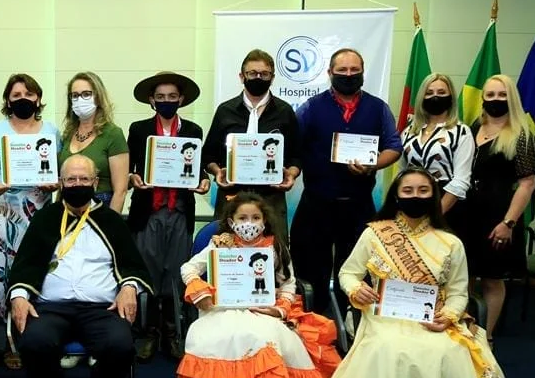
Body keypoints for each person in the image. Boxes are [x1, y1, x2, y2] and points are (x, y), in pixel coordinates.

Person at [306, 167, 517, 378]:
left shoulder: (450, 242)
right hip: (384, 318)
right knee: (391, 350)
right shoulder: (375, 233)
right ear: (396, 196)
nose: (415, 196)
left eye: (423, 190)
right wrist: (355, 289)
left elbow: (459, 292)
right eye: (408, 191)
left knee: (448, 354)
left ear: (433, 195)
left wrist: (448, 317)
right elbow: (348, 273)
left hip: (432, 318)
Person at [8, 155, 153, 378]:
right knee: (34, 343)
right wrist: (19, 295)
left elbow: (132, 264)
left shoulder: (111, 220)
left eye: (83, 179)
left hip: (101, 309)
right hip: (51, 307)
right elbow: (26, 263)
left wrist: (129, 287)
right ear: (61, 183)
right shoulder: (46, 217)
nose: (77, 184)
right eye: (71, 179)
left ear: (95, 181)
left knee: (120, 346)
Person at [176, 192, 338, 378]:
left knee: (262, 338)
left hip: (263, 311)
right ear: (231, 221)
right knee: (245, 337)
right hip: (222, 310)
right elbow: (188, 268)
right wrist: (199, 290)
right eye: (242, 218)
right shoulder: (221, 245)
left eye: (255, 217)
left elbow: (288, 284)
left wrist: (279, 310)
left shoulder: (274, 247)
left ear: (264, 220)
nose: (249, 223)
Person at [289, 48, 403, 313]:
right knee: (310, 269)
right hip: (316, 203)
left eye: (354, 70)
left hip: (358, 205)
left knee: (357, 272)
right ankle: (313, 322)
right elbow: (294, 146)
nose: (348, 75)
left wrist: (373, 164)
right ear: (330, 73)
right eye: (342, 70)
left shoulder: (378, 108)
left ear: (362, 72)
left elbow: (394, 146)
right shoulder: (310, 108)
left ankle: (350, 324)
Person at [0, 73, 60, 368]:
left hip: (38, 210)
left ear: (38, 98)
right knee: (0, 275)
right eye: (16, 95)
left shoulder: (51, 130)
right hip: (3, 210)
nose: (23, 99)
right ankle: (4, 341)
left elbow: (57, 171)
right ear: (7, 100)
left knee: (38, 270)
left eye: (28, 94)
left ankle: (33, 339)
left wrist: (55, 183)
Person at [127, 71, 211, 360]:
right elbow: (130, 168)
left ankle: (174, 331)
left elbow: (199, 169)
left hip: (179, 210)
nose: (166, 101)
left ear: (181, 99)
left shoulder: (193, 130)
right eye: (160, 97)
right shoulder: (139, 129)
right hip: (148, 211)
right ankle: (149, 332)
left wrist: (204, 181)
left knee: (176, 272)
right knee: (148, 273)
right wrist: (133, 179)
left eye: (172, 96)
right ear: (152, 100)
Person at [459, 75, 535, 342]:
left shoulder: (521, 135)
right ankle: (463, 331)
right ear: (483, 98)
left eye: (502, 95)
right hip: (466, 214)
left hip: (499, 217)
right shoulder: (473, 128)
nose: (496, 100)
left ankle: (486, 337)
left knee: (492, 279)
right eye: (491, 95)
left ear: (512, 98)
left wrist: (508, 223)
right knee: (463, 276)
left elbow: (527, 184)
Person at [202, 49, 302, 238]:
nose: (258, 78)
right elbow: (208, 155)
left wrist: (291, 174)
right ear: (242, 76)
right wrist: (217, 171)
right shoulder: (225, 111)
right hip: (231, 199)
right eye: (252, 73)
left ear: (272, 78)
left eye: (264, 74)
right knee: (227, 250)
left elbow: (297, 156)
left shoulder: (284, 111)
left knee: (274, 252)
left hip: (271, 200)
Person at [399, 73, 474, 224]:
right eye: (429, 93)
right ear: (422, 97)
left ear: (451, 97)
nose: (435, 97)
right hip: (411, 204)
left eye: (441, 92)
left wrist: (435, 214)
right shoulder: (409, 132)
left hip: (446, 206)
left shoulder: (461, 132)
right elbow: (401, 173)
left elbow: (461, 180)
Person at [57, 72, 129, 212]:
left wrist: (110, 222)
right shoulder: (68, 134)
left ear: (98, 97)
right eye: (75, 95)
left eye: (86, 94)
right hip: (68, 207)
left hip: (100, 206)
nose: (80, 100)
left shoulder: (112, 134)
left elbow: (120, 191)